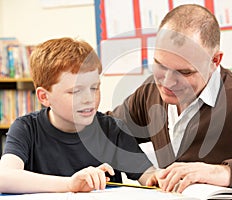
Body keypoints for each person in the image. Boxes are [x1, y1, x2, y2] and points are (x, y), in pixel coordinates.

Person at [107, 4, 232, 193]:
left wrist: (223, 172)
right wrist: (144, 171)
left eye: (184, 72)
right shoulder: (150, 92)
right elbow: (105, 131)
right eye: (160, 65)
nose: (167, 82)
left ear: (215, 61)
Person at [0, 37, 155, 194]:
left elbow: (148, 175)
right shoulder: (26, 128)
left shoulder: (111, 129)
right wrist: (70, 185)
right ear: (44, 97)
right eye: (76, 91)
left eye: (94, 88)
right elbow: (4, 178)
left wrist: (163, 177)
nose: (89, 98)